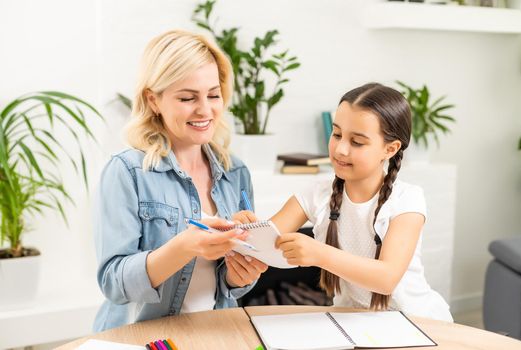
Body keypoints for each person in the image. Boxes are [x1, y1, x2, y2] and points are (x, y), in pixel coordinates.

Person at [93, 30, 267, 332]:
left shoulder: (235, 172)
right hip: (140, 337)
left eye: (213, 95)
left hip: (213, 333)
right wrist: (184, 246)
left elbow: (227, 286)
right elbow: (113, 282)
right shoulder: (127, 171)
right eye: (187, 98)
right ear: (154, 100)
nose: (205, 109)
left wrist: (239, 275)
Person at [272, 83, 453, 321]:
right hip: (354, 322)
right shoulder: (315, 194)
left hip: (417, 322)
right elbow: (266, 238)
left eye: (357, 141)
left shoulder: (407, 200)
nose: (341, 149)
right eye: (336, 135)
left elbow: (386, 278)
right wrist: (246, 230)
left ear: (390, 148)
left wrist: (319, 254)